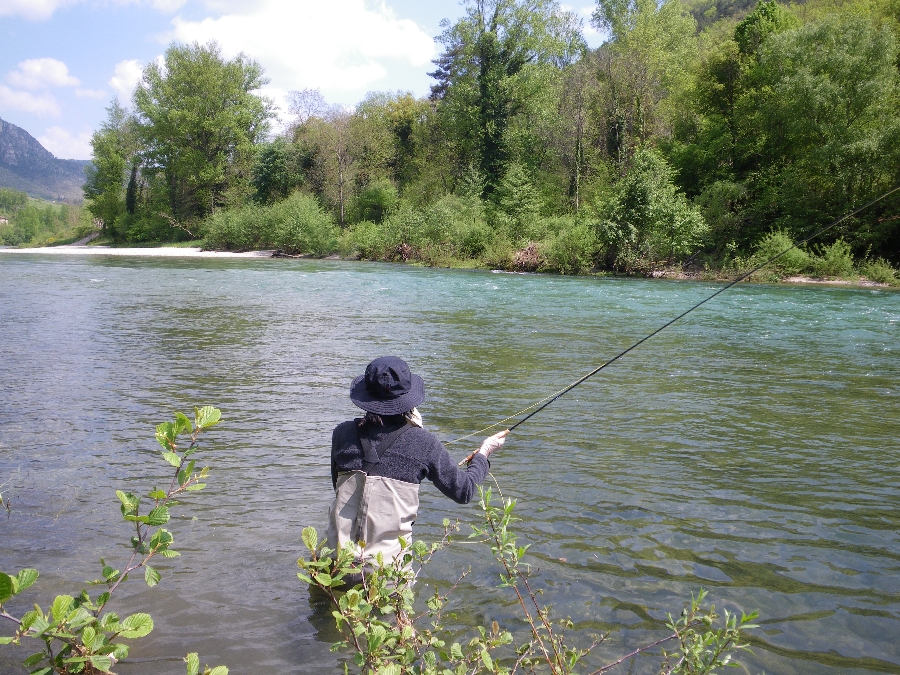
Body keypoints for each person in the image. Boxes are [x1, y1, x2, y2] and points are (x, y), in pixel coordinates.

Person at [327, 356, 507, 573]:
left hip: (333, 567)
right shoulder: (423, 442)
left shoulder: (342, 433)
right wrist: (484, 453)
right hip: (386, 573)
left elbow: (336, 485)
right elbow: (464, 491)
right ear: (408, 400)